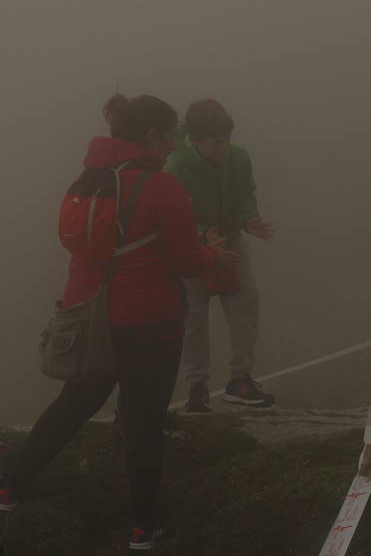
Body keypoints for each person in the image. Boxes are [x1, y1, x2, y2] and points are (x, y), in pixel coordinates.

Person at [0, 94, 238, 550]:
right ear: (152, 136)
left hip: (91, 317)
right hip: (149, 323)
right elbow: (186, 261)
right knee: (144, 423)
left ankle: (12, 487)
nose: (175, 146)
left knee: (73, 406)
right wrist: (213, 254)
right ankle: (143, 527)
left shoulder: (89, 177)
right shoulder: (161, 186)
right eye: (173, 136)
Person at [164, 99, 275, 412]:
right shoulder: (176, 167)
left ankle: (240, 380)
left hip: (232, 241)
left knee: (246, 307)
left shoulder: (238, 158)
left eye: (227, 139)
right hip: (195, 249)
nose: (223, 147)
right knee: (195, 319)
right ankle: (197, 386)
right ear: (195, 140)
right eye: (215, 142)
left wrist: (248, 219)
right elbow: (174, 215)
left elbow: (245, 195)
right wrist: (202, 235)